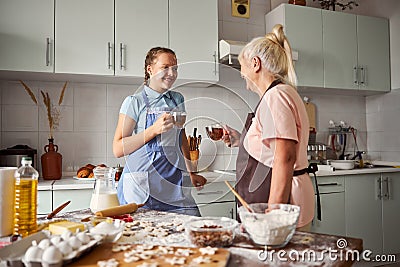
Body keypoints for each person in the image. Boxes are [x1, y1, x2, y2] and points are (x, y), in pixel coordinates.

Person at [222, 24, 315, 230]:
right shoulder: (279, 93)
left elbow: (285, 156)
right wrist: (241, 139)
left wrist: (274, 213)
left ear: (255, 64)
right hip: (283, 194)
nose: (242, 74)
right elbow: (272, 148)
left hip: (284, 199)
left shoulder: (275, 97)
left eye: (242, 67)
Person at [113, 47, 207, 216]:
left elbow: (181, 138)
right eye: (165, 67)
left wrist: (191, 172)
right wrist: (153, 130)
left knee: (191, 228)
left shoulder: (177, 99)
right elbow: (118, 149)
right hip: (143, 184)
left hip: (173, 181)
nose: (172, 73)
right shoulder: (134, 102)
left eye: (175, 68)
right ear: (150, 69)